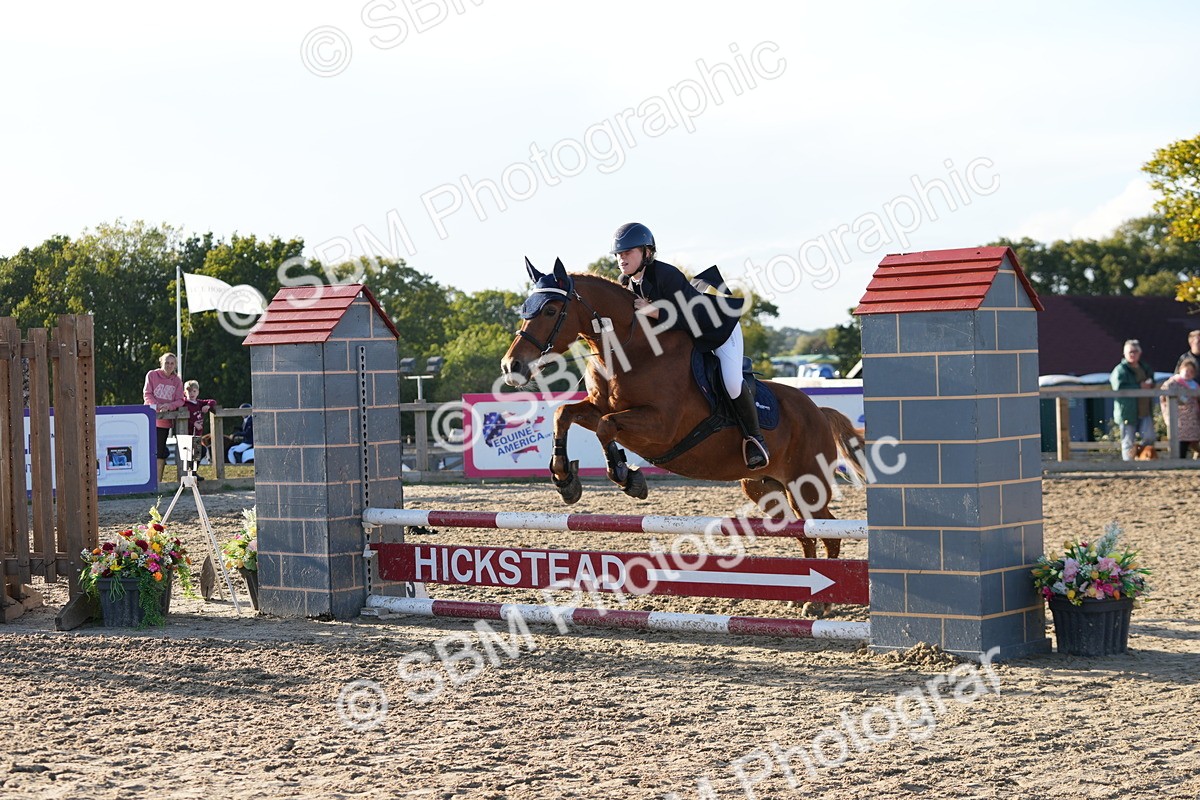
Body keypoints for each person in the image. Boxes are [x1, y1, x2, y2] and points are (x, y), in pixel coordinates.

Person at [610, 222, 768, 469]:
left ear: (647, 253)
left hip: (717, 330)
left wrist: (652, 311)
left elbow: (689, 318)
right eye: (619, 254)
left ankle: (754, 439)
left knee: (732, 382)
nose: (622, 258)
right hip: (687, 341)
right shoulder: (626, 283)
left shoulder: (666, 275)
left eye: (628, 252)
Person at [1110, 339, 1156, 461]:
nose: (1132, 354)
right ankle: (1128, 464)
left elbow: (1152, 380)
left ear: (1139, 353)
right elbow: (1118, 387)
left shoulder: (1145, 368)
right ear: (1124, 354)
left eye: (1135, 351)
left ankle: (1141, 457)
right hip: (1128, 410)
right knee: (1128, 440)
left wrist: (1150, 384)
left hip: (1144, 409)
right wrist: (1139, 387)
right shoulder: (1120, 370)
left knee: (1149, 437)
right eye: (1130, 352)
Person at [143, 352, 185, 482]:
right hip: (150, 418)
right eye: (166, 362)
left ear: (175, 365)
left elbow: (180, 400)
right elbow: (147, 394)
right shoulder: (152, 375)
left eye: (172, 363)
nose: (169, 365)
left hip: (165, 422)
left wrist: (169, 406)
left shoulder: (177, 380)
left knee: (160, 450)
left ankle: (157, 481)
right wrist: (157, 406)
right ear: (161, 362)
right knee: (148, 449)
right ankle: (145, 479)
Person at [1159, 357, 1200, 459]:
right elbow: (1164, 393)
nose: (1188, 373)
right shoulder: (1173, 382)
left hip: (1192, 419)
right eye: (1186, 370)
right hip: (1179, 417)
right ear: (1181, 369)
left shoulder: (1195, 385)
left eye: (1191, 371)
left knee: (1192, 440)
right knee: (1180, 439)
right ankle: (1179, 461)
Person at [182, 380, 217, 467]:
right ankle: (190, 472)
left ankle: (194, 472)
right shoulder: (184, 404)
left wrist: (208, 406)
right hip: (188, 434)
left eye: (194, 391)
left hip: (197, 434)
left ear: (198, 392)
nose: (191, 393)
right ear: (184, 393)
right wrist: (193, 423)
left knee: (198, 453)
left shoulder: (199, 403)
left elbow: (213, 401)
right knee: (191, 455)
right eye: (189, 391)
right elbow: (182, 417)